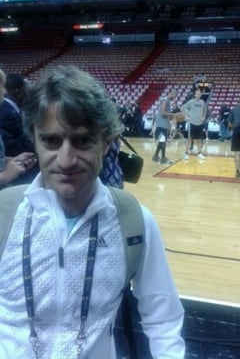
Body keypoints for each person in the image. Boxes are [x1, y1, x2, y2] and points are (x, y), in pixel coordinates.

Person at [0, 65, 185, 359]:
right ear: (34, 139)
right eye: (51, 140)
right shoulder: (4, 215)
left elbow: (162, 316)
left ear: (106, 143)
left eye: (82, 140)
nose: (66, 159)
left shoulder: (134, 222)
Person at [0, 73, 39, 184]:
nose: (5, 92)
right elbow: (8, 143)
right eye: (2, 87)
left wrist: (11, 160)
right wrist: (4, 176)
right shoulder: (7, 113)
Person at [181, 87, 207, 160]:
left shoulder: (203, 102)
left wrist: (203, 117)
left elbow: (205, 110)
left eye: (199, 94)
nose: (198, 95)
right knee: (189, 139)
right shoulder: (191, 102)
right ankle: (186, 153)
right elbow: (182, 108)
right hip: (192, 123)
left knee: (199, 140)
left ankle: (199, 153)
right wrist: (186, 116)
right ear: (195, 95)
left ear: (201, 95)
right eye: (197, 94)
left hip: (200, 124)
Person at [152, 89, 177, 164]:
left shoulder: (167, 101)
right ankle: (163, 158)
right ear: (170, 93)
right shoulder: (165, 100)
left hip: (163, 124)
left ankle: (156, 156)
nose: (175, 97)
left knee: (162, 141)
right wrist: (173, 115)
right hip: (161, 124)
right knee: (163, 142)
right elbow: (163, 113)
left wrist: (169, 124)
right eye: (175, 95)